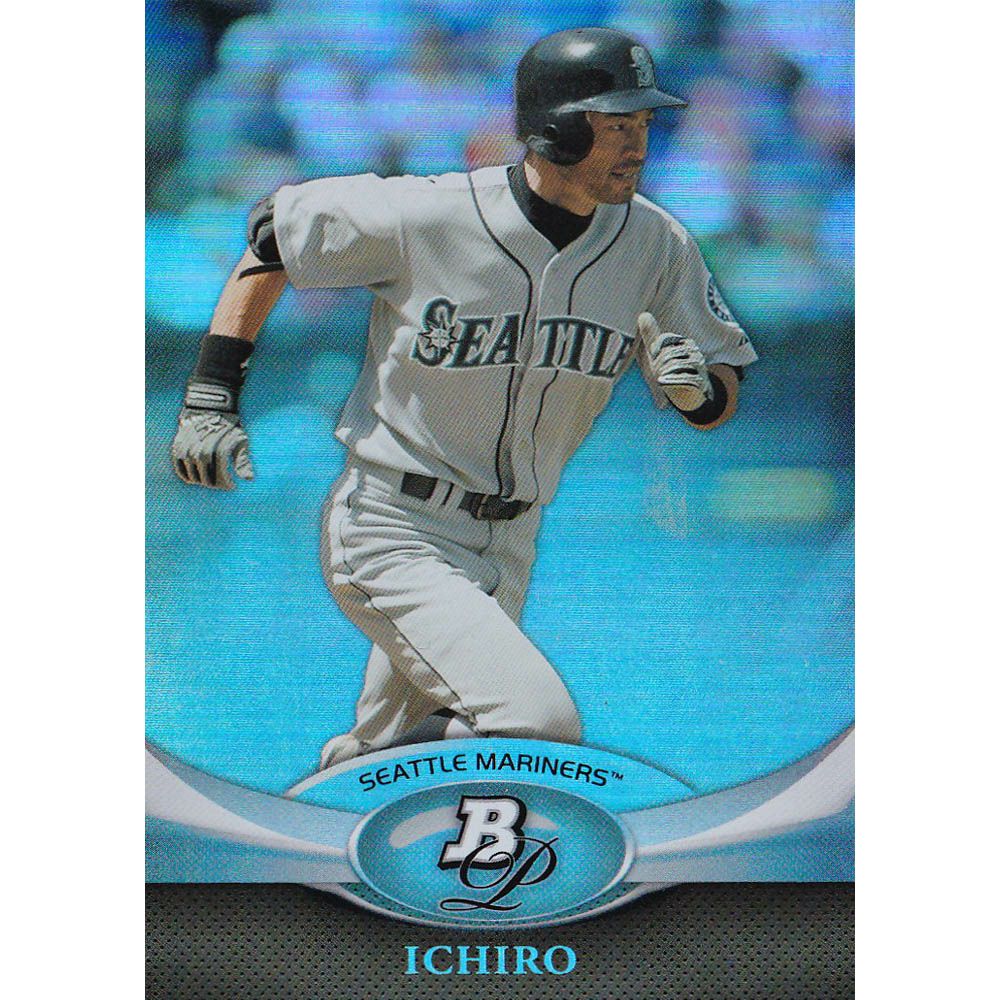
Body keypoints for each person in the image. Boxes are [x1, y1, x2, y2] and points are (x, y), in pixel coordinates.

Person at [170, 27, 758, 770]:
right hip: (394, 523)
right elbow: (272, 237)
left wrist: (698, 394)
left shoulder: (656, 243)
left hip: (512, 541)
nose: (637, 145)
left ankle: (340, 795)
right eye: (616, 126)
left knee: (386, 759)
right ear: (554, 126)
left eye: (643, 124)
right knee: (535, 725)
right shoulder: (434, 213)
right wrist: (210, 399)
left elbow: (722, 386)